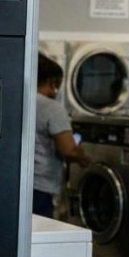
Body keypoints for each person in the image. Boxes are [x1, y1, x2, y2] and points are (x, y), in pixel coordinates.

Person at [35, 54, 91, 218]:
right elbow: (68, 150)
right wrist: (84, 157)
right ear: (52, 82)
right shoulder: (53, 108)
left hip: (20, 183)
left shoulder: (22, 101)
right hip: (42, 186)